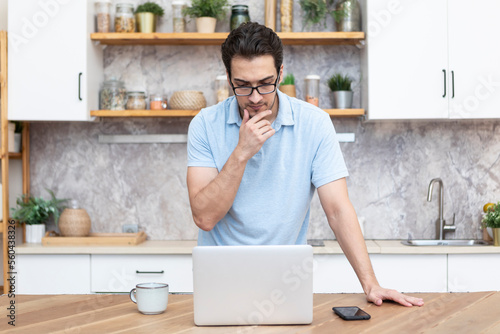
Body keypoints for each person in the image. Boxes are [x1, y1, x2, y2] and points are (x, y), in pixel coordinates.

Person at [186, 22, 424, 308]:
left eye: (265, 83)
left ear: (281, 73)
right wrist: (241, 153)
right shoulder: (204, 124)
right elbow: (205, 217)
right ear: (228, 78)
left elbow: (337, 210)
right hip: (221, 280)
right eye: (243, 86)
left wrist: (370, 283)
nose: (256, 97)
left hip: (284, 284)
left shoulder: (315, 123)